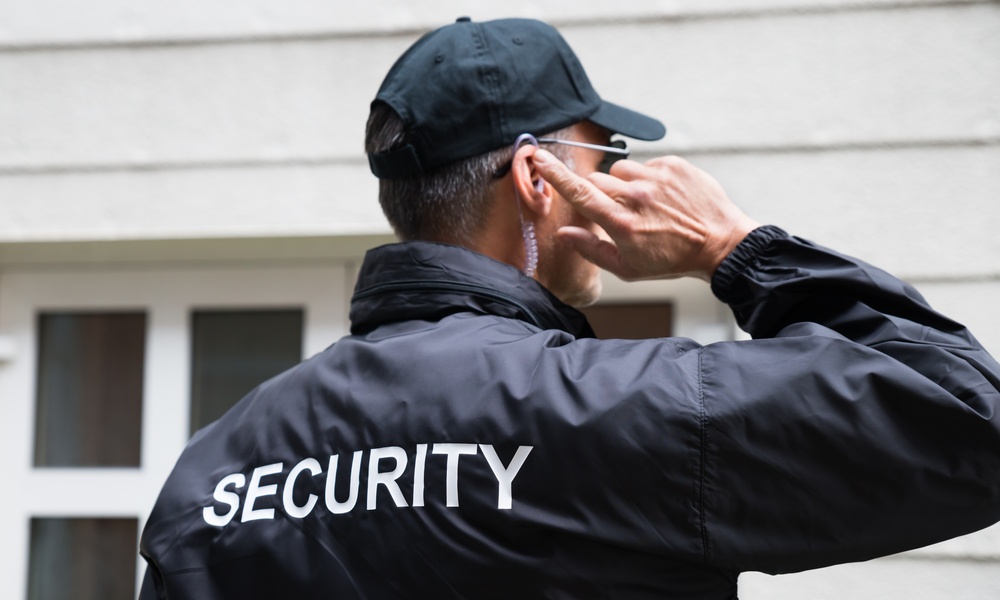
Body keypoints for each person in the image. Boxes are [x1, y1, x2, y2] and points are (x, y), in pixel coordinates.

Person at [138, 16, 1000, 599]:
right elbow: (971, 421)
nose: (619, 178)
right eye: (604, 155)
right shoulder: (620, 408)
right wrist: (733, 248)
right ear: (535, 177)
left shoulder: (215, 468)